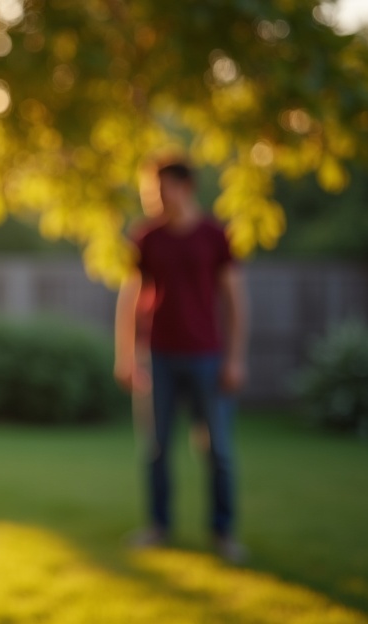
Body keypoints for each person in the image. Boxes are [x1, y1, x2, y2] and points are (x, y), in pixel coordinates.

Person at [114, 158, 249, 563]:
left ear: (185, 187)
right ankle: (158, 526)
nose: (153, 196)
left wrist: (235, 358)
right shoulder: (147, 237)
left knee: (218, 449)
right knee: (156, 448)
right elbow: (131, 297)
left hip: (208, 357)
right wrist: (125, 356)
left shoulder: (214, 236)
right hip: (159, 356)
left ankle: (223, 532)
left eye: (160, 188)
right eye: (149, 190)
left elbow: (235, 300)